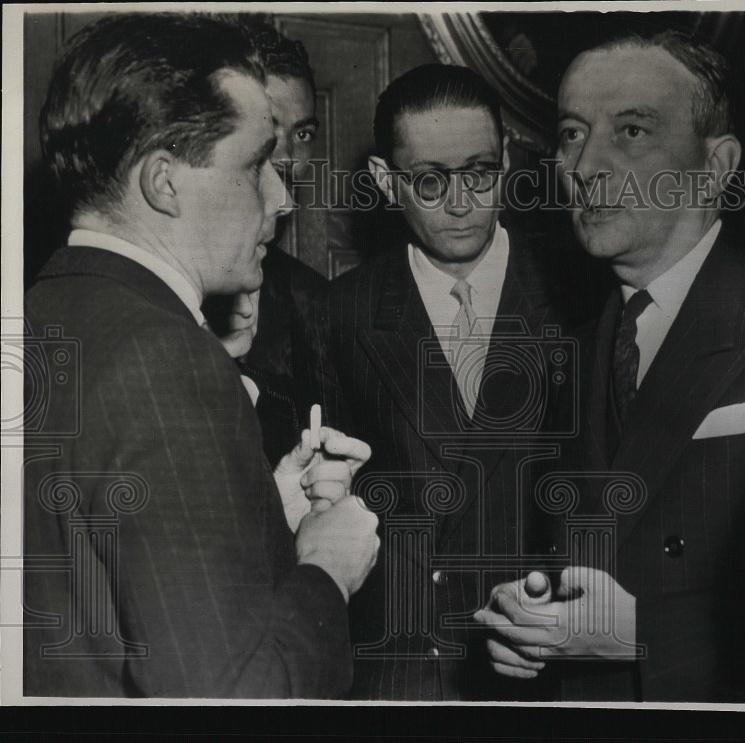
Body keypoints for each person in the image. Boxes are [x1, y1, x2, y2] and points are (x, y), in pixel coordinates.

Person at [23, 13, 378, 698]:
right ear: (164, 182)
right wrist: (325, 568)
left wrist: (258, 516)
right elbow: (232, 695)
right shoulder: (171, 358)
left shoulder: (41, 316)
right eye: (254, 166)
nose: (280, 197)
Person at [475, 30, 745, 702]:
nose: (585, 164)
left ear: (716, 166)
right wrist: (537, 608)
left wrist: (641, 632)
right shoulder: (584, 343)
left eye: (631, 131)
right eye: (569, 133)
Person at [323, 63, 567, 700]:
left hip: (538, 663)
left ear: (507, 159)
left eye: (480, 172)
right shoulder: (339, 314)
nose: (460, 204)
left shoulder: (580, 297)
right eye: (429, 181)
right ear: (384, 181)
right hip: (401, 670)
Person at [205, 17, 335, 468]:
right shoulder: (164, 282)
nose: (287, 159)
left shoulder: (316, 304)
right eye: (269, 131)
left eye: (302, 135)